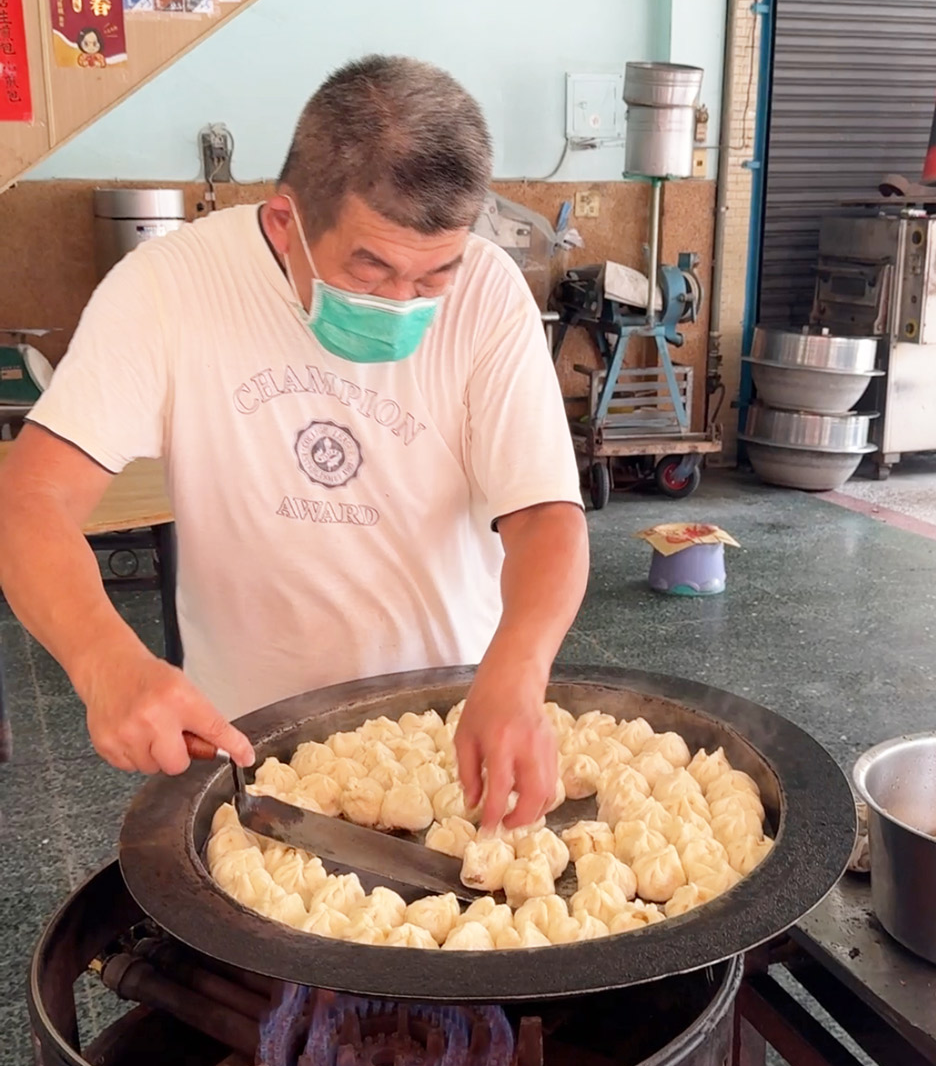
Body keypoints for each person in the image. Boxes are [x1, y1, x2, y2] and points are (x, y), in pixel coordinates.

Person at [0, 56, 589, 829]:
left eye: (433, 275)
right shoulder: (169, 291)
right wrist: (105, 659)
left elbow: (546, 513)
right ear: (286, 223)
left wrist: (517, 669)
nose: (403, 302)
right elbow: (28, 500)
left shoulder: (488, 295)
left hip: (449, 731)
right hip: (252, 742)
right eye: (370, 270)